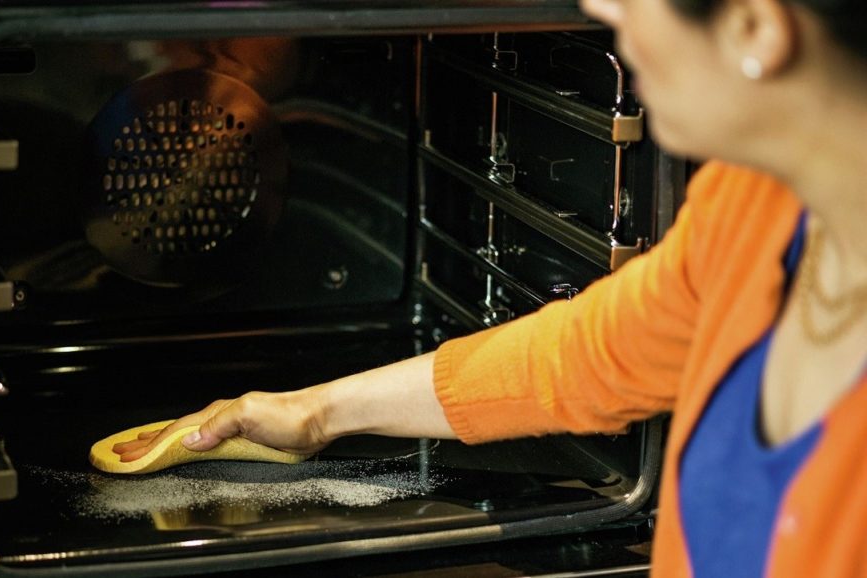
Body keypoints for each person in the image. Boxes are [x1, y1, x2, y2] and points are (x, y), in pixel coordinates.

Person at [113, 0, 867, 575]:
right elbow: (579, 355)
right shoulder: (755, 211)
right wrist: (313, 413)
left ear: (755, 27)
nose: (599, 9)